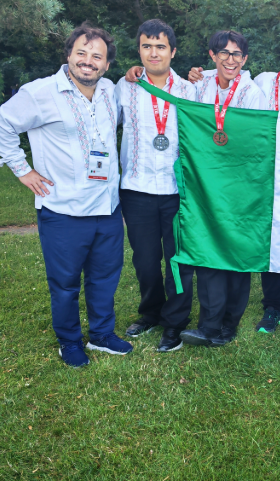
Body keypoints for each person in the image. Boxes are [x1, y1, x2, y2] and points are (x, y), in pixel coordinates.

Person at [0, 22, 133, 367]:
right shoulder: (41, 92)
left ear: (106, 64)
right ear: (68, 54)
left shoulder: (110, 90)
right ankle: (69, 342)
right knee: (65, 284)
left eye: (96, 56)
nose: (88, 61)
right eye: (81, 53)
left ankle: (101, 334)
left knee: (104, 277)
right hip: (63, 209)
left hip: (107, 207)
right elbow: (0, 124)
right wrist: (23, 170)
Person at [190, 25, 280, 335]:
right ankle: (272, 306)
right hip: (263, 172)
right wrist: (197, 74)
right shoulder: (261, 82)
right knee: (268, 237)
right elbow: (225, 79)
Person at [178, 30, 267, 348]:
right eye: (224, 53)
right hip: (206, 181)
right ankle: (208, 325)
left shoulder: (253, 93)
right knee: (209, 252)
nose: (231, 60)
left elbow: (256, 139)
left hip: (240, 184)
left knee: (238, 254)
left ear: (245, 60)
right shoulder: (198, 85)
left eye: (237, 54)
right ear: (212, 55)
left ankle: (229, 325)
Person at [115, 19, 196, 353]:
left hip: (177, 191)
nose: (153, 52)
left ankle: (175, 323)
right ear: (139, 51)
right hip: (136, 188)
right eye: (146, 46)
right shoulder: (124, 87)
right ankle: (150, 312)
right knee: (145, 260)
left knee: (178, 260)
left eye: (160, 46)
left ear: (173, 52)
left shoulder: (190, 91)